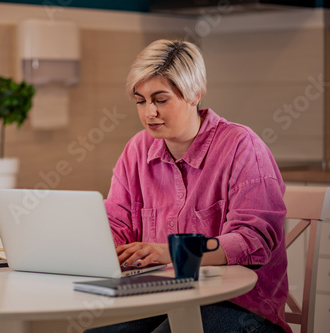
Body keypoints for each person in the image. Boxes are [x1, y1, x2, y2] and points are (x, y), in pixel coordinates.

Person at [87, 40, 290, 332]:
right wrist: (89, 245)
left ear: (195, 93)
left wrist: (171, 251)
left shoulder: (242, 147)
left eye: (160, 99)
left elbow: (252, 241)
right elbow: (117, 224)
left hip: (240, 307)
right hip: (162, 299)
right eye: (141, 101)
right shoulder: (136, 150)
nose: (149, 113)